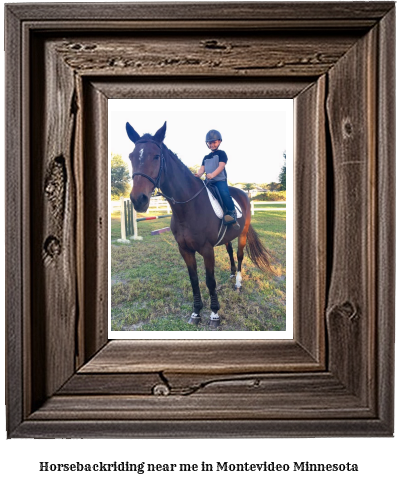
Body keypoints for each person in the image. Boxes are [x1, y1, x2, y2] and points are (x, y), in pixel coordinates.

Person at [195, 129, 239, 228]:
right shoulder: (205, 157)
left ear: (219, 141)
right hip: (208, 182)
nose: (212, 145)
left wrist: (212, 174)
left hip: (219, 180)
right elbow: (202, 170)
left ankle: (232, 212)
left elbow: (221, 167)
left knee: (224, 193)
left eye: (214, 142)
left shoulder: (222, 154)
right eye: (209, 143)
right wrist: (198, 175)